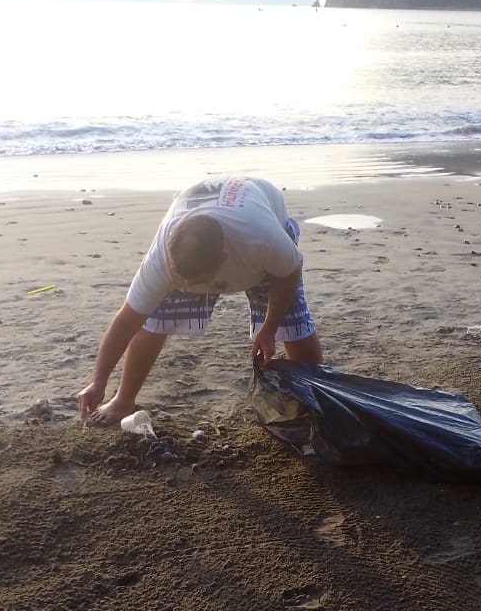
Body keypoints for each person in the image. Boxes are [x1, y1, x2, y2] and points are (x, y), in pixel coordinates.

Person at [77, 175, 323, 424]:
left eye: (196, 283)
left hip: (259, 211)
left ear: (224, 259)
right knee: (154, 320)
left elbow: (290, 272)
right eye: (180, 278)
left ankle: (316, 396)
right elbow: (128, 319)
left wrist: (269, 328)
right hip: (207, 215)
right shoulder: (162, 258)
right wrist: (97, 382)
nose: (186, 287)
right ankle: (123, 400)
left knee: (293, 323)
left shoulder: (263, 239)